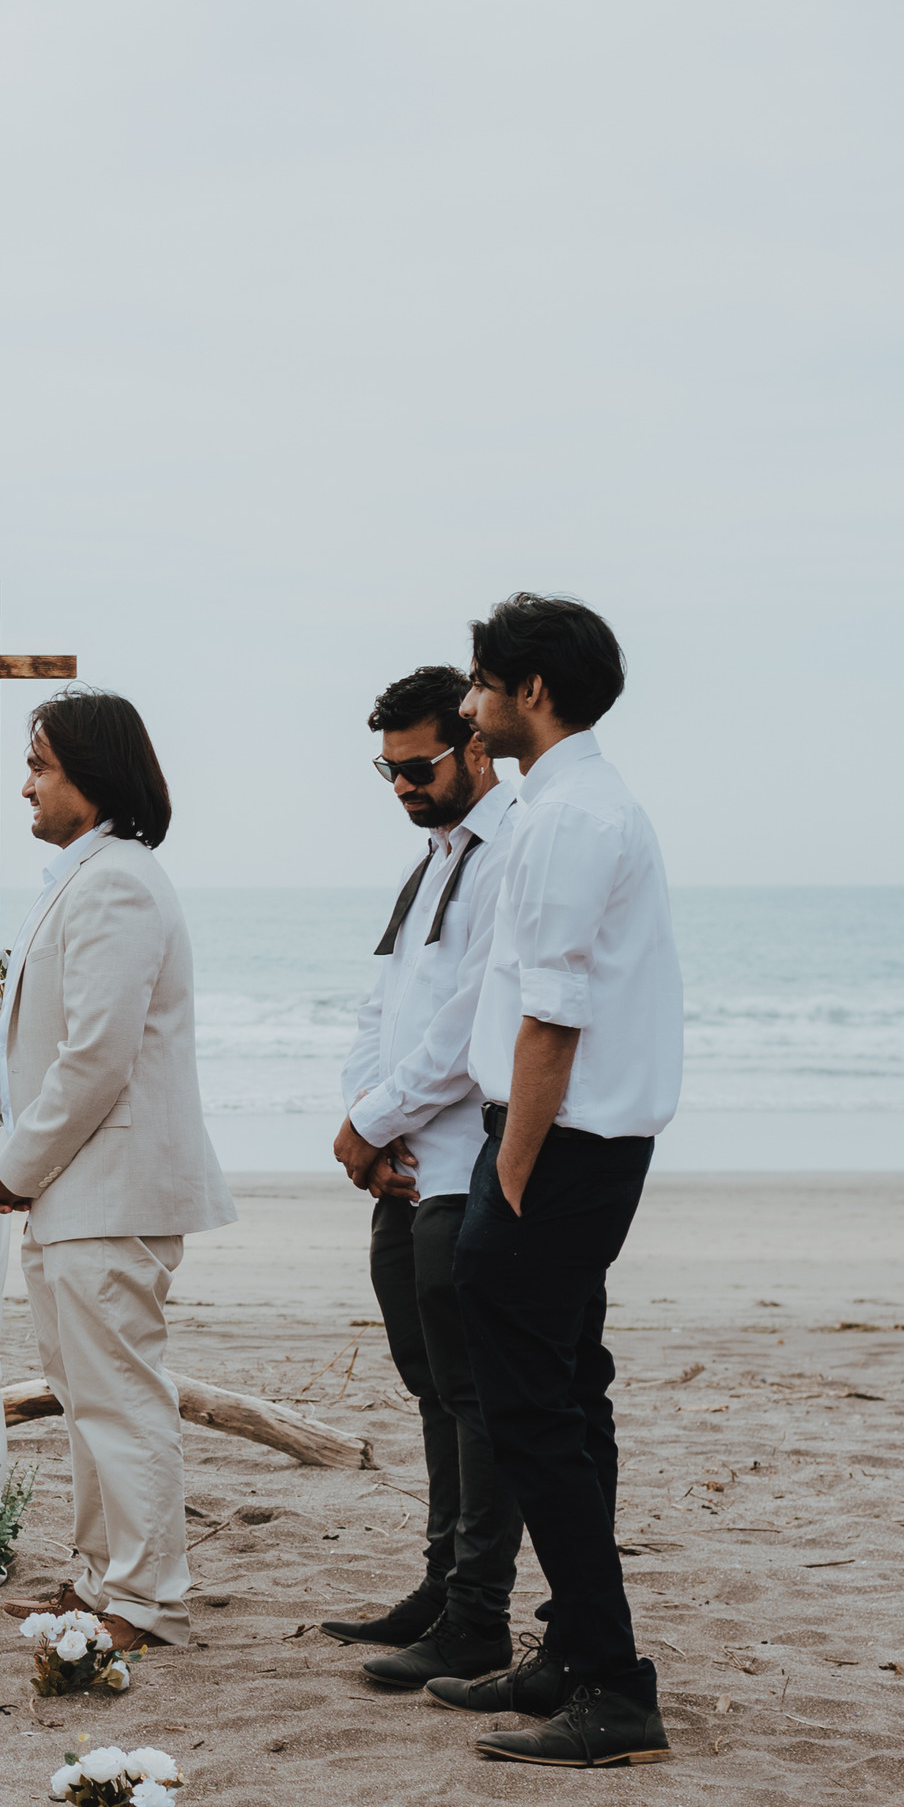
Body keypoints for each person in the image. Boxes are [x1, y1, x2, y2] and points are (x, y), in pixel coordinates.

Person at [449, 594, 682, 1768]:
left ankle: (612, 1681)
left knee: (535, 1412)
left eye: (482, 680)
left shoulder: (572, 818)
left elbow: (552, 1016)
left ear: (531, 692)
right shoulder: (571, 804)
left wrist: (510, 1173)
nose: (467, 701)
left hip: (560, 1144)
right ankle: (571, 1646)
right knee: (567, 1397)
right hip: (570, 1141)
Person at [0, 694, 235, 1646]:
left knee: (122, 1396)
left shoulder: (118, 881)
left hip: (107, 1185)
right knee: (88, 1394)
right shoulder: (83, 876)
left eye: (41, 765)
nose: (28, 784)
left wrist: (14, 1168)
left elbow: (96, 1056)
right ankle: (98, 1581)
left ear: (93, 776)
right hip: (79, 1192)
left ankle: (141, 1598)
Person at [323, 664, 524, 1695]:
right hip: (402, 1165)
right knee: (424, 1386)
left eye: (418, 764)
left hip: (460, 1164)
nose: (401, 784)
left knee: (473, 1394)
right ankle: (440, 1585)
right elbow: (383, 1009)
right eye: (387, 768)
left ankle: (478, 1613)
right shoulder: (432, 861)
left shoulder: (503, 857)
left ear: (475, 745)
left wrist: (375, 1121)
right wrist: (363, 1124)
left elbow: (466, 1032)